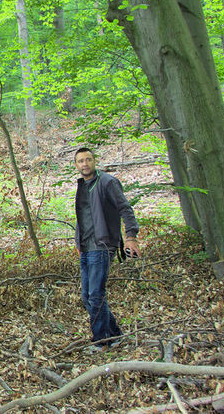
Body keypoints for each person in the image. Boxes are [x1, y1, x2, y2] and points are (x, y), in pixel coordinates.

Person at [73, 147, 141, 351]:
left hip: (102, 245)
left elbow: (125, 209)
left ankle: (102, 341)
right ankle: (114, 334)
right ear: (76, 165)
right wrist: (78, 242)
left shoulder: (107, 182)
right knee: (87, 297)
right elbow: (82, 217)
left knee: (95, 294)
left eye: (88, 159)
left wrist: (131, 237)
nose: (85, 164)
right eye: (80, 161)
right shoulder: (82, 186)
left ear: (94, 161)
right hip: (86, 247)